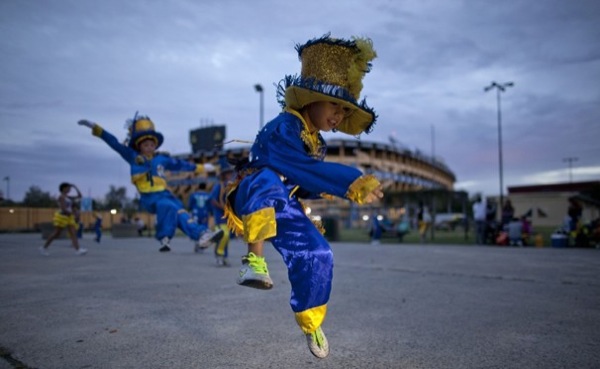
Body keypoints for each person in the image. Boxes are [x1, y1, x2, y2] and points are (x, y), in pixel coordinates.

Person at [223, 34, 382, 358]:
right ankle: (254, 261)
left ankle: (311, 322)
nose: (338, 115)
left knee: (319, 253)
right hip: (253, 194)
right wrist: (349, 182)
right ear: (310, 99)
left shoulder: (316, 142)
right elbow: (294, 166)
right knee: (267, 181)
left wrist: (332, 190)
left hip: (284, 203)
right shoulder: (285, 126)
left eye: (344, 109)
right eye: (334, 104)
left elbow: (304, 181)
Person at [77, 113, 223, 253]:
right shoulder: (133, 157)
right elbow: (114, 143)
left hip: (165, 194)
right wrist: (95, 128)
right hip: (149, 196)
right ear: (139, 146)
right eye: (145, 144)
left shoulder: (162, 159)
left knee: (181, 213)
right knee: (168, 206)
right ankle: (164, 238)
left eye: (152, 144)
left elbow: (181, 164)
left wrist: (203, 167)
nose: (149, 147)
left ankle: (202, 235)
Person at [40, 183, 88, 256]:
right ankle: (44, 247)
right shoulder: (61, 197)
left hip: (69, 217)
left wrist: (75, 187)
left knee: (73, 233)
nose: (69, 189)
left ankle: (78, 250)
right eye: (68, 188)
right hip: (62, 217)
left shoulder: (68, 197)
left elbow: (80, 196)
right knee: (56, 233)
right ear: (64, 189)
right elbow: (63, 208)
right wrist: (72, 213)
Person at [209, 162, 234, 266]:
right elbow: (213, 200)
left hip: (228, 216)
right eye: (227, 173)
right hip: (220, 216)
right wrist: (222, 208)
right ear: (223, 175)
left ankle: (224, 256)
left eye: (230, 173)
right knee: (224, 234)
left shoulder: (231, 186)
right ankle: (219, 255)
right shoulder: (218, 186)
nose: (229, 175)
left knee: (226, 237)